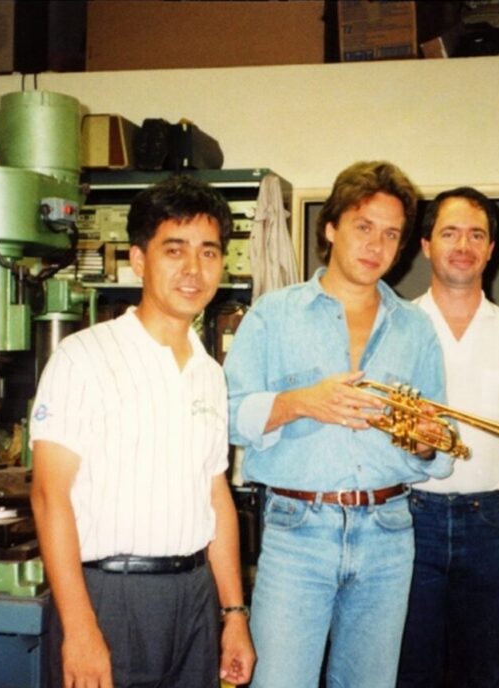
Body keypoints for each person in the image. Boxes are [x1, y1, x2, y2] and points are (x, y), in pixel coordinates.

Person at [223, 161, 453, 688]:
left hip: (390, 532)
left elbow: (437, 453)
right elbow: (229, 415)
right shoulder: (271, 315)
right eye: (364, 227)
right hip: (297, 529)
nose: (376, 245)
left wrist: (423, 442)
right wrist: (301, 401)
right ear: (330, 229)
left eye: (391, 234)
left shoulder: (416, 329)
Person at [29, 175, 255, 687]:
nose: (194, 270)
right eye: (174, 250)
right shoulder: (83, 357)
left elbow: (215, 493)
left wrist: (234, 613)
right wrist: (81, 627)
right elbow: (48, 495)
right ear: (138, 260)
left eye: (209, 252)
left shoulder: (210, 372)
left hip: (196, 597)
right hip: (110, 595)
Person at [397, 188, 499, 688]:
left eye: (476, 234)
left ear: (490, 250)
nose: (463, 244)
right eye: (449, 232)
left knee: (480, 672)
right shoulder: (396, 328)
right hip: (407, 519)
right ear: (425, 244)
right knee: (409, 671)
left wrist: (482, 488)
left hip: (489, 525)